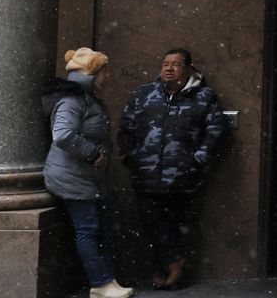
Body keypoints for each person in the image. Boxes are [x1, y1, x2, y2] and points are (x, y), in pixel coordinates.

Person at [119, 46, 231, 291]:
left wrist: (199, 159)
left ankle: (167, 269)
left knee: (174, 223)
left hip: (182, 175)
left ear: (188, 68)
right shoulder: (144, 94)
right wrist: (131, 157)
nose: (168, 69)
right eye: (165, 64)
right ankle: (173, 261)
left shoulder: (203, 96)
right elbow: (125, 128)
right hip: (145, 173)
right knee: (151, 221)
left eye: (175, 64)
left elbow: (215, 130)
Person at [40, 47, 133, 298]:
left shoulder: (86, 98)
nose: (108, 77)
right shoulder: (73, 100)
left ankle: (106, 281)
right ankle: (101, 283)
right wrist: (93, 153)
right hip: (71, 175)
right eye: (103, 72)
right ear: (91, 75)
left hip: (83, 175)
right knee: (88, 229)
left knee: (96, 229)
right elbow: (63, 135)